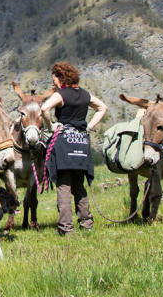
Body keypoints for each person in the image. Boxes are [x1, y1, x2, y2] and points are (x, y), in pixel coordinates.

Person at [40, 61, 107, 235]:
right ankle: (86, 224)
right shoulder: (85, 95)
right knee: (79, 184)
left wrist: (51, 126)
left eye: (54, 78)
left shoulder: (61, 95)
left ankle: (65, 228)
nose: (53, 82)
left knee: (63, 185)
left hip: (64, 143)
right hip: (81, 142)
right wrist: (89, 126)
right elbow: (103, 107)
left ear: (61, 77)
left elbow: (44, 108)